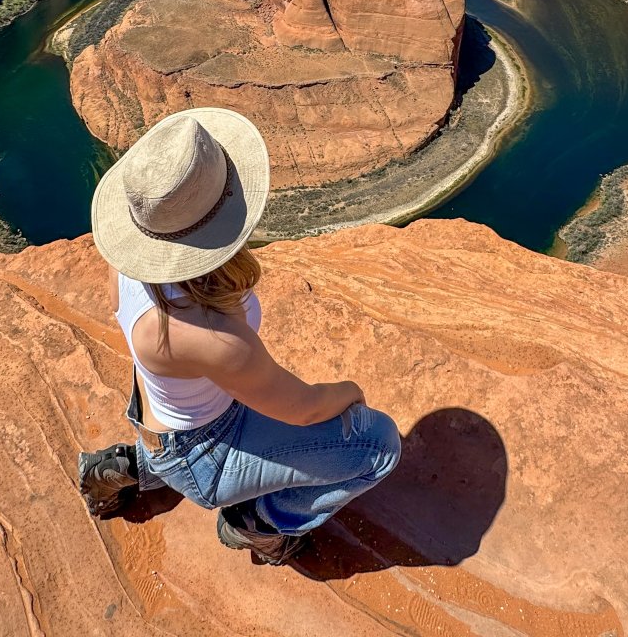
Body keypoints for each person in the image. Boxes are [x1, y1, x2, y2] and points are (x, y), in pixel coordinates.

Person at [78, 108, 401, 565]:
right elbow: (304, 409)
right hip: (204, 451)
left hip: (163, 415)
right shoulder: (211, 335)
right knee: (380, 444)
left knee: (194, 423)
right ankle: (261, 526)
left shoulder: (132, 267)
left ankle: (121, 469)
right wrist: (352, 392)